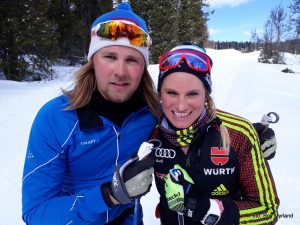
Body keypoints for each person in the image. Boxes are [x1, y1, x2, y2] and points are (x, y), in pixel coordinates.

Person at [22, 3, 159, 225]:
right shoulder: (55, 119)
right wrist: (108, 195)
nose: (120, 72)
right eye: (110, 56)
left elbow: (190, 117)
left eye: (132, 60)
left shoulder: (152, 113)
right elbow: (36, 213)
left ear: (143, 67)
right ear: (92, 61)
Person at [148, 44, 279, 225]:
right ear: (160, 94)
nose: (181, 106)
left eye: (192, 94)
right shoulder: (149, 132)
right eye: (171, 93)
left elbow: (268, 210)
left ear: (206, 95)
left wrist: (215, 211)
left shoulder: (239, 134)